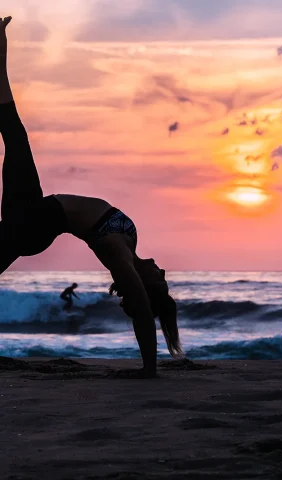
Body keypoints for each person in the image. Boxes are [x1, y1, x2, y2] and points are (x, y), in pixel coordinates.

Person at [0, 17, 183, 378]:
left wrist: (149, 368)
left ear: (148, 288)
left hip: (37, 222)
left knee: (15, 134)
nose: (163, 273)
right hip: (35, 212)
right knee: (14, 133)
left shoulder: (121, 259)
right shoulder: (128, 249)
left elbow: (145, 314)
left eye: (162, 282)